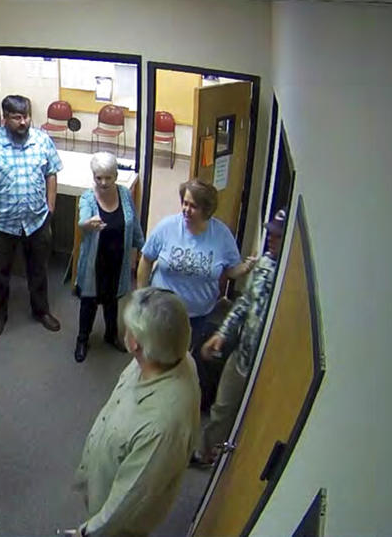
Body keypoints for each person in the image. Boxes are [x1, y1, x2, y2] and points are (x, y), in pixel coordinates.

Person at [72, 287, 200, 536]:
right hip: (104, 478)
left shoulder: (161, 427)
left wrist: (87, 532)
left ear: (134, 343)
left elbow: (127, 501)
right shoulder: (169, 356)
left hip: (115, 525)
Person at [136, 179, 255, 410]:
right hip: (162, 309)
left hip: (197, 315)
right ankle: (148, 397)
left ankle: (170, 401)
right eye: (184, 203)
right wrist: (142, 295)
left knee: (181, 359)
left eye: (193, 206)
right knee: (154, 354)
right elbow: (146, 258)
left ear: (207, 209)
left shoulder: (221, 235)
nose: (185, 210)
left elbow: (230, 270)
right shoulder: (168, 227)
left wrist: (246, 268)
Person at [193, 208, 286, 466]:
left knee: (257, 421)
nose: (271, 239)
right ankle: (205, 454)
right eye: (271, 234)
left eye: (278, 236)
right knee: (221, 408)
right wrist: (222, 334)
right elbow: (245, 302)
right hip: (243, 355)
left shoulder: (290, 277)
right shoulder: (265, 263)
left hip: (270, 368)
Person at [0, 94, 63, 337]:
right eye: (17, 117)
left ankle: (41, 311)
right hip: (0, 223)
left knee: (39, 270)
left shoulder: (42, 141)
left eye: (27, 116)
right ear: (5, 118)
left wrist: (50, 207)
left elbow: (51, 173)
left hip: (37, 221)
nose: (23, 122)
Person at [74, 152, 145, 363]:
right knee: (89, 302)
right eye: (98, 177)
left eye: (108, 177)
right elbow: (82, 221)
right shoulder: (88, 197)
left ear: (116, 175)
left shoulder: (125, 194)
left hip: (118, 260)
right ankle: (82, 339)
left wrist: (143, 249)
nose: (103, 183)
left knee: (112, 301)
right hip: (95, 262)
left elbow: (134, 225)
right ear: (93, 176)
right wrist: (88, 224)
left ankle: (111, 335)